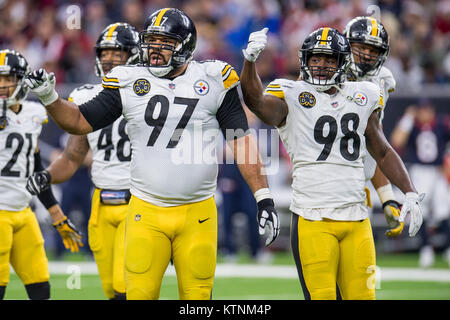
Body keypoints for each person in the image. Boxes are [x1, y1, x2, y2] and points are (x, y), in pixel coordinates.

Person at [24, 8, 280, 300]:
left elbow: (241, 141)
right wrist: (49, 97)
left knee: (197, 300)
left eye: (165, 42)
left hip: (198, 212)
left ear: (185, 45)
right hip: (146, 210)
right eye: (151, 41)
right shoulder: (128, 79)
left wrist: (264, 197)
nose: (154, 50)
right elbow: (79, 121)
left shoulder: (214, 78)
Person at [240, 26, 424, 300]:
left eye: (329, 59)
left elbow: (382, 150)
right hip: (313, 217)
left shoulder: (364, 94)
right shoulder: (290, 93)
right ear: (305, 60)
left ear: (343, 62)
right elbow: (255, 100)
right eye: (316, 59)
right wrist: (250, 62)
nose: (322, 65)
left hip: (356, 217)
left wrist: (407, 190)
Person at [26, 22, 140, 299]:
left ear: (134, 54)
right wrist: (48, 175)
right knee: (111, 292)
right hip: (100, 202)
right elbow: (73, 156)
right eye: (105, 52)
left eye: (118, 52)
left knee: (128, 290)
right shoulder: (86, 95)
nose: (109, 58)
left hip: (137, 201)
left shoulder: (148, 93)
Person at [0, 49, 82, 300]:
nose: (3, 85)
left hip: (23, 211)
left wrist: (56, 214)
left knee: (40, 287)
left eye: (8, 78)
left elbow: (36, 169)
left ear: (21, 80)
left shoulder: (33, 112)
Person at [343, 16, 403, 237]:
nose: (367, 54)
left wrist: (387, 197)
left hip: (357, 188)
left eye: (373, 50)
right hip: (322, 185)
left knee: (359, 269)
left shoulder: (382, 81)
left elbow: (374, 146)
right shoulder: (324, 75)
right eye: (361, 47)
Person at [391, 99, 450, 267]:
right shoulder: (413, 127)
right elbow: (397, 141)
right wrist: (408, 118)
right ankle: (425, 250)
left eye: (427, 110)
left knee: (443, 210)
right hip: (419, 171)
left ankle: (447, 249)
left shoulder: (441, 125)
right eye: (421, 110)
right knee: (420, 211)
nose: (425, 113)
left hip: (437, 171)